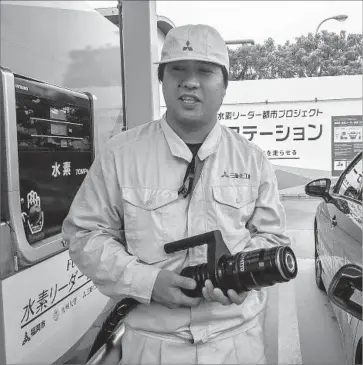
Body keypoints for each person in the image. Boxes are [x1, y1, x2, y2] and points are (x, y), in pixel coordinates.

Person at [62, 23, 291, 364]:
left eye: (205, 71)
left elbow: (271, 236)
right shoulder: (120, 154)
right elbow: (83, 233)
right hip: (151, 345)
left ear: (224, 85)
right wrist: (147, 281)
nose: (190, 81)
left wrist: (242, 276)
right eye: (178, 70)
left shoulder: (252, 159)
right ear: (163, 81)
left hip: (236, 344)